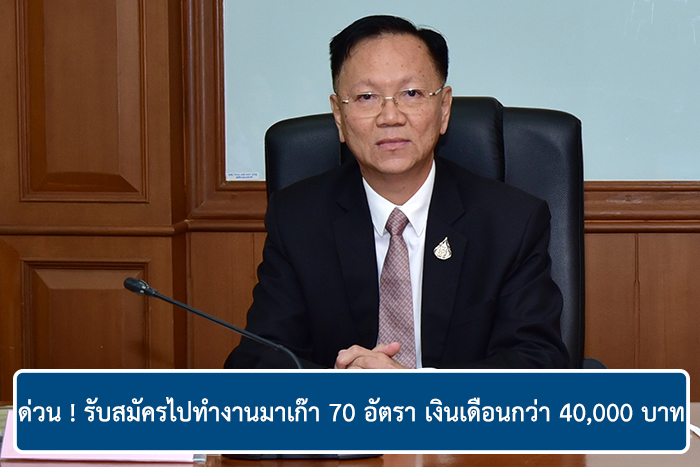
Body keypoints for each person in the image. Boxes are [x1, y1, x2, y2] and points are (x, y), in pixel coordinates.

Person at [225, 15, 569, 370]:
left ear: (444, 108)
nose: (390, 116)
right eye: (366, 97)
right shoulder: (297, 219)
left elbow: (539, 362)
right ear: (339, 116)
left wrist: (415, 389)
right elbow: (258, 361)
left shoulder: (510, 222)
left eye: (411, 94)